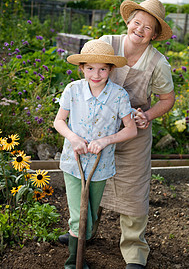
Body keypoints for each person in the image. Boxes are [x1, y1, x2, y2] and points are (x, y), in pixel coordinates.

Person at [58, 0, 175, 268]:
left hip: (132, 130)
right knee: (91, 178)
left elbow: (167, 99)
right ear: (128, 22)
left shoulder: (158, 62)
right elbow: (88, 74)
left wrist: (146, 115)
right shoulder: (106, 43)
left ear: (155, 34)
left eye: (148, 27)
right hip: (95, 126)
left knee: (133, 190)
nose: (140, 29)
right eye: (137, 22)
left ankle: (134, 251)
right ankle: (83, 233)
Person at [54, 39, 137, 269]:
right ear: (82, 68)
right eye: (90, 68)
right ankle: (74, 262)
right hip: (74, 162)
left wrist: (105, 141)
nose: (96, 74)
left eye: (102, 69)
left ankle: (82, 239)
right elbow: (59, 121)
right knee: (77, 216)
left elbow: (130, 129)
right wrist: (74, 138)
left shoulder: (118, 96)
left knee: (88, 220)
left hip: (100, 165)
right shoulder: (73, 90)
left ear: (111, 69)